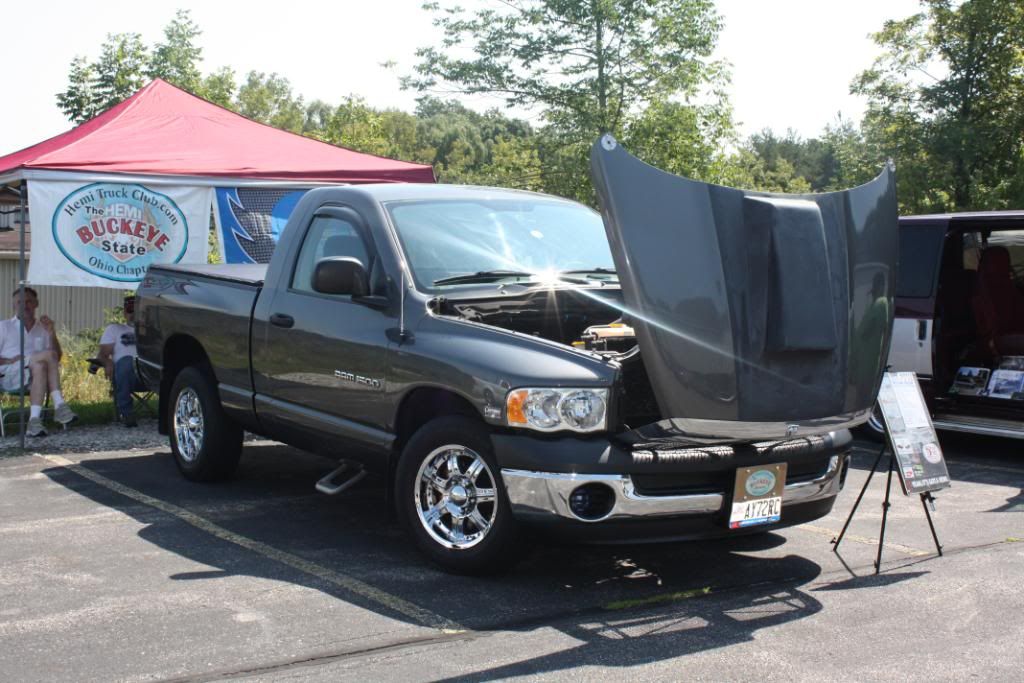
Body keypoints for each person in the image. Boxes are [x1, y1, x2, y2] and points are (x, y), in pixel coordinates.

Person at [0, 287, 78, 437]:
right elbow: (51, 355)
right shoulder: (3, 327)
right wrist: (10, 360)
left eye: (29, 301)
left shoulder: (43, 327)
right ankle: (59, 404)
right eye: (19, 302)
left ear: (36, 303)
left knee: (41, 365)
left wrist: (51, 333)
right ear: (14, 306)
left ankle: (34, 421)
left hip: (35, 377)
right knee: (46, 357)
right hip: (10, 374)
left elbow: (57, 357)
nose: (25, 305)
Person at [99, 295, 146, 428]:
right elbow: (102, 354)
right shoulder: (114, 329)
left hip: (149, 373)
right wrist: (107, 362)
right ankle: (126, 413)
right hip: (126, 374)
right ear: (125, 313)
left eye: (137, 311)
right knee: (127, 361)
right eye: (130, 311)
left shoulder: (151, 330)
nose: (133, 314)